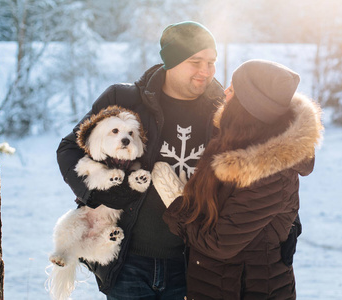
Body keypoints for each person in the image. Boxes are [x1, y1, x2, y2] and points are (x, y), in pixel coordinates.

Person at [56, 21, 224, 299]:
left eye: (211, 62)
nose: (205, 71)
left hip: (190, 263)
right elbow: (69, 148)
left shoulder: (221, 111)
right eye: (196, 61)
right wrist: (97, 194)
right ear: (172, 61)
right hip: (127, 261)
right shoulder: (124, 100)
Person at [152, 59, 323, 299]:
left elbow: (220, 242)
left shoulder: (267, 172)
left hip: (244, 289)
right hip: (224, 283)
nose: (225, 92)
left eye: (233, 89)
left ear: (248, 106)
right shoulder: (237, 142)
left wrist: (177, 205)